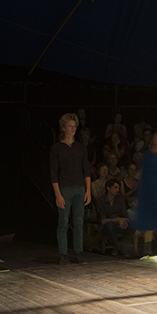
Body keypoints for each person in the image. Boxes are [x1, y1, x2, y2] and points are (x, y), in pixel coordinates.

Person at [50, 113, 91, 265]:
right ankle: (63, 253)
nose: (73, 129)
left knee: (79, 222)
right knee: (63, 222)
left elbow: (86, 170)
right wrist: (57, 194)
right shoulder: (57, 148)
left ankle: (78, 252)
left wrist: (88, 190)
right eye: (70, 126)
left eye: (74, 126)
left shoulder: (80, 147)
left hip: (80, 188)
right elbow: (54, 173)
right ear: (63, 128)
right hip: (65, 188)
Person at [135, 132, 157, 256]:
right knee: (149, 224)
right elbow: (151, 181)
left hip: (152, 196)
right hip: (149, 197)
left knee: (151, 225)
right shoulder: (151, 157)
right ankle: (143, 249)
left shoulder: (155, 157)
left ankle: (147, 249)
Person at [96, 178, 131, 256]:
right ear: (108, 188)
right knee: (110, 225)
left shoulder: (120, 200)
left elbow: (125, 216)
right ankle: (118, 248)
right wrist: (117, 219)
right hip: (107, 225)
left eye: (118, 188)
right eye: (115, 188)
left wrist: (124, 221)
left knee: (133, 225)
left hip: (119, 223)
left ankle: (123, 246)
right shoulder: (101, 201)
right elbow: (103, 220)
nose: (117, 190)